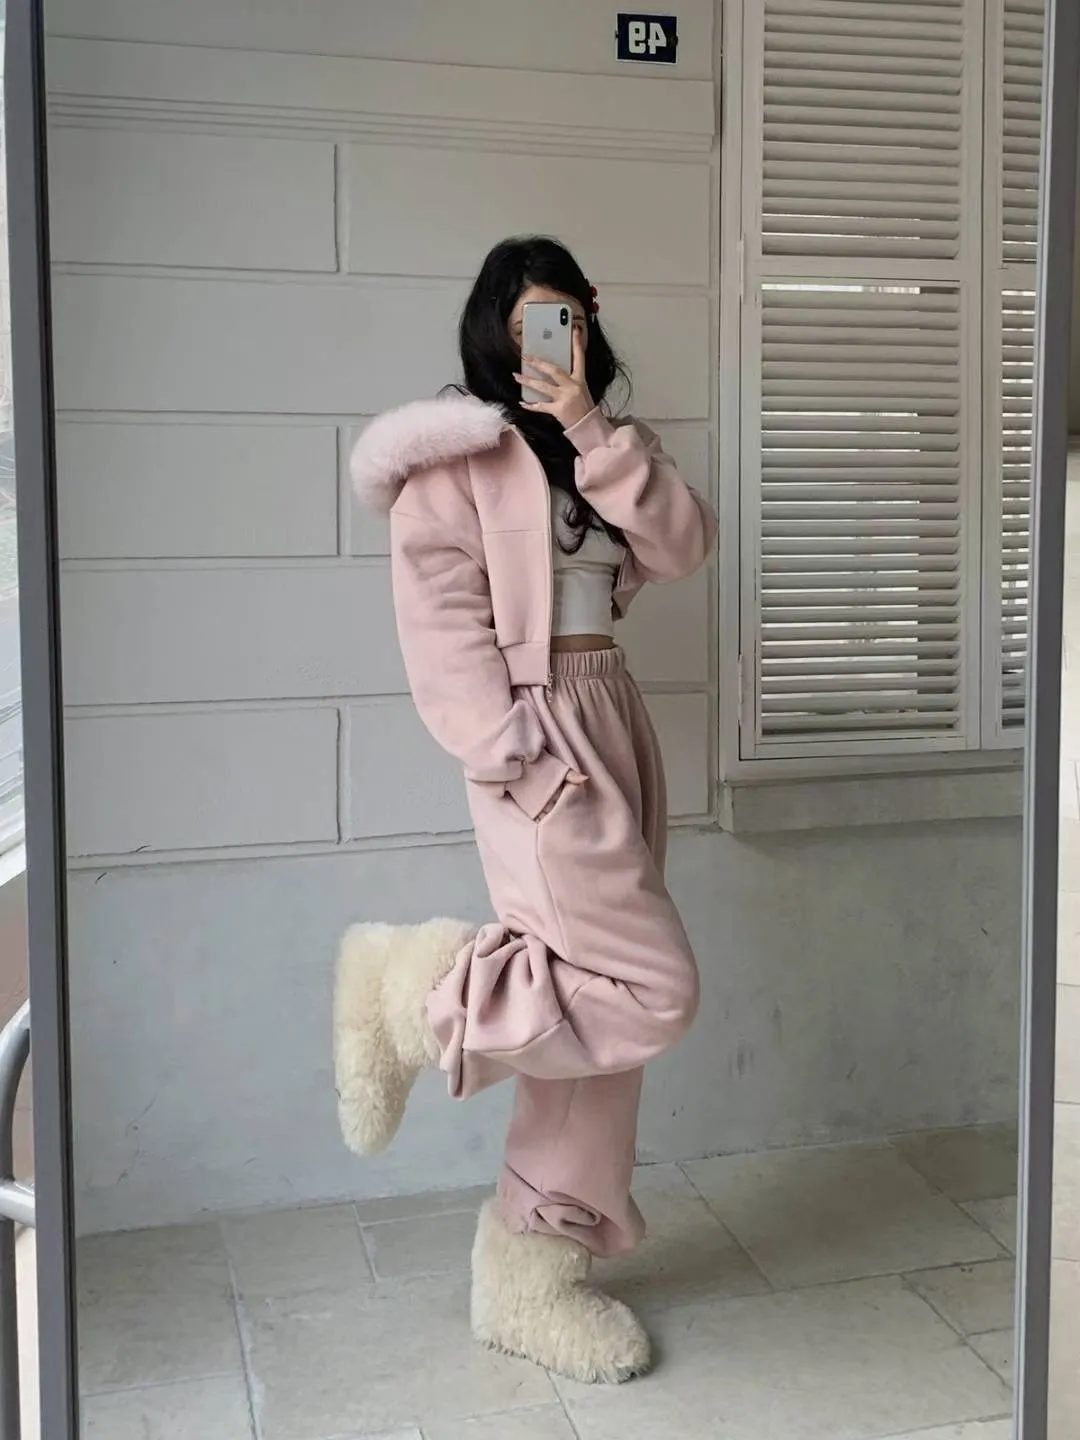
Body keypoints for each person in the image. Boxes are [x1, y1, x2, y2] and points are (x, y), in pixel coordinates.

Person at [337, 235, 717, 1383]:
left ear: (588, 326)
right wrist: (518, 760)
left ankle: (532, 1276)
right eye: (526, 326)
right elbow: (443, 634)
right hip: (538, 737)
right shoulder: (452, 462)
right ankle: (412, 998)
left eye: (565, 321)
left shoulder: (602, 446)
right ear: (490, 333)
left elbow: (682, 546)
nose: (545, 344)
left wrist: (592, 427)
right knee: (651, 987)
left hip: (613, 718)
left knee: (595, 1030)